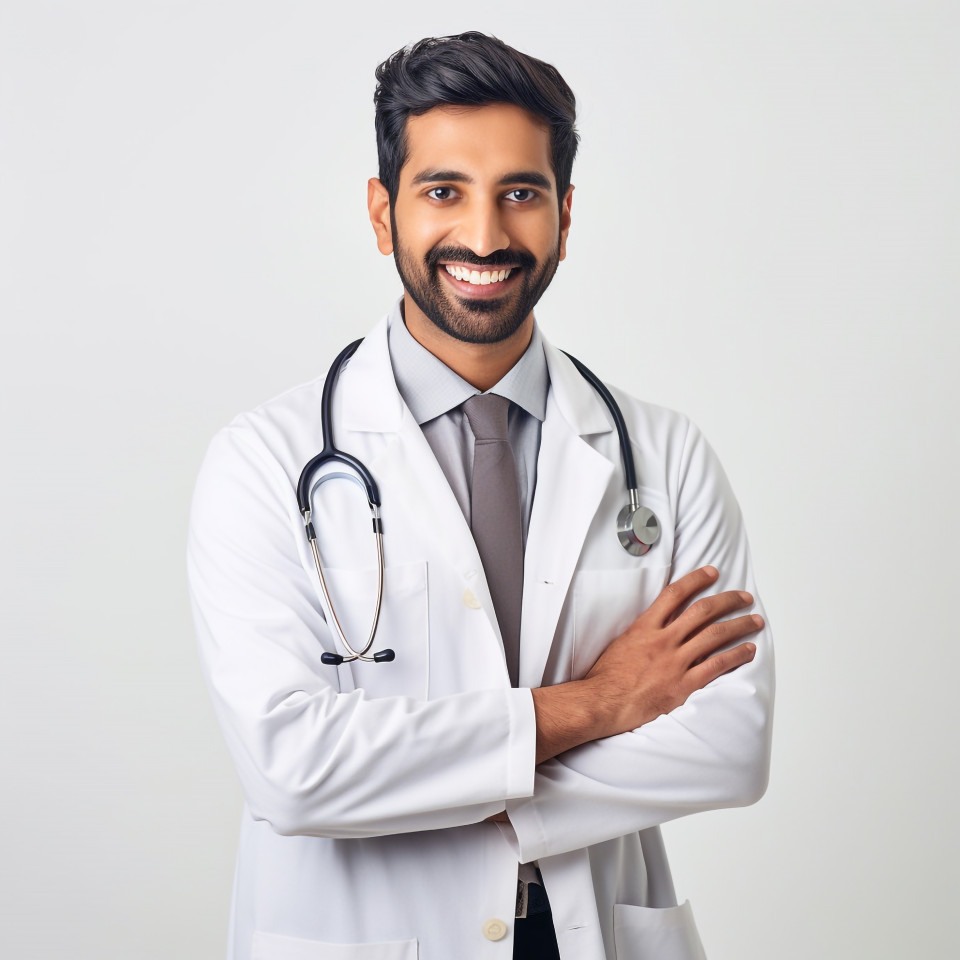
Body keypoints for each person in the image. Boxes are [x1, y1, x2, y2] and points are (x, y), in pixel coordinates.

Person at [188, 31, 774, 960]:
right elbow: (292, 770)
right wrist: (601, 702)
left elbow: (727, 746)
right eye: (443, 191)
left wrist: (441, 788)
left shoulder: (666, 456)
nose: (487, 236)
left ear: (565, 216)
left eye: (521, 194)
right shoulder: (263, 461)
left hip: (586, 931)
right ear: (382, 213)